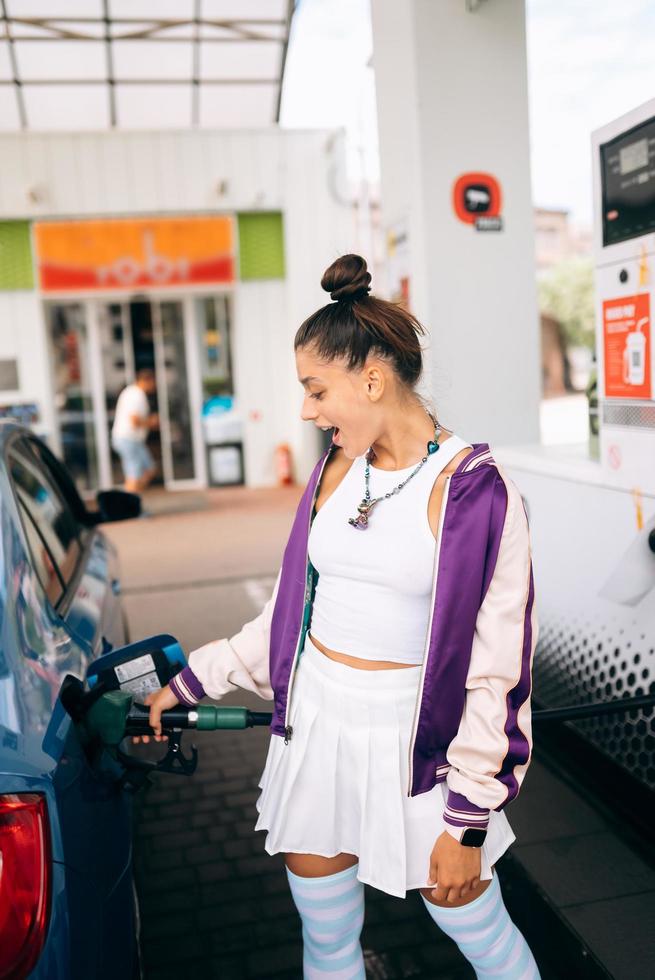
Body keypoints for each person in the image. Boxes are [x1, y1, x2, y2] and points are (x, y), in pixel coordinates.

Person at [135, 254, 541, 978]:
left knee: (486, 943)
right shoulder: (333, 468)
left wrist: (467, 818)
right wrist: (194, 679)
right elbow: (295, 618)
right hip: (319, 728)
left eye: (315, 389)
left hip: (417, 750)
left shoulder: (476, 492)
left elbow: (497, 670)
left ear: (373, 380)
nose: (306, 410)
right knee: (326, 945)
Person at [111, 368, 158, 493]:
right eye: (153, 382)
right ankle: (129, 504)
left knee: (149, 469)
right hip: (128, 439)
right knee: (134, 475)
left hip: (132, 440)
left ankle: (135, 502)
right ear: (147, 381)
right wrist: (151, 422)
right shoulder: (136, 395)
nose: (155, 386)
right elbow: (134, 421)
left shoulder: (134, 393)